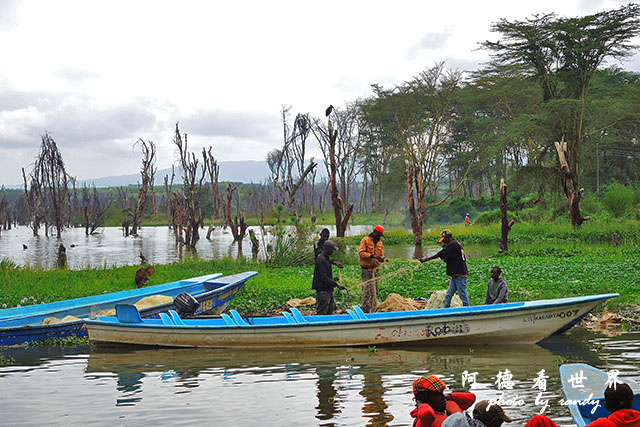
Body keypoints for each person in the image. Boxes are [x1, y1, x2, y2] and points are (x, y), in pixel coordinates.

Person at [420, 229, 469, 307]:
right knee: (449, 294)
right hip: (455, 274)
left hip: (460, 274)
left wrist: (426, 259)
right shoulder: (455, 244)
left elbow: (440, 254)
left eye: (444, 240)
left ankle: (467, 310)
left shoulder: (453, 244)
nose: (443, 242)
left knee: (462, 294)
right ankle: (445, 310)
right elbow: (448, 257)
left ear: (448, 237)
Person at [410, 375, 476, 427]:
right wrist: (421, 404)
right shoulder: (423, 421)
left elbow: (471, 398)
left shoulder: (448, 405)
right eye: (437, 395)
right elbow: (427, 414)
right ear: (426, 398)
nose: (443, 397)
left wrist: (449, 396)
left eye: (442, 393)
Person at [312, 240, 346, 315]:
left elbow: (326, 276)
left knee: (330, 312)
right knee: (322, 313)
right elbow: (324, 278)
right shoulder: (321, 259)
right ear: (327, 249)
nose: (333, 252)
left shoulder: (326, 258)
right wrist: (336, 285)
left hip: (328, 290)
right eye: (332, 250)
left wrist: (335, 263)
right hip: (323, 291)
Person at [358, 225, 385, 313]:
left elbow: (380, 255)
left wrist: (382, 258)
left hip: (375, 270)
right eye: (378, 235)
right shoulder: (365, 240)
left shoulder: (380, 243)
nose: (379, 237)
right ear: (374, 232)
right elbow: (361, 253)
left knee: (374, 290)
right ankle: (365, 310)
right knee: (366, 290)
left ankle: (373, 309)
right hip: (366, 270)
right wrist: (372, 256)